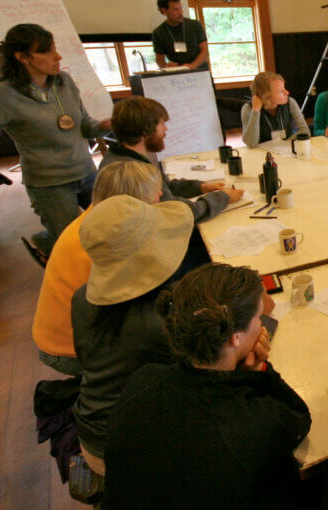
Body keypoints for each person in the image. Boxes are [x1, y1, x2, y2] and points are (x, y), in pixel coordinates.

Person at [103, 263, 312, 509]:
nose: (262, 324)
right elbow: (298, 419)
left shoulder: (144, 378)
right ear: (235, 337)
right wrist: (261, 371)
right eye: (258, 317)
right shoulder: (252, 423)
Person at [0, 23, 110, 258]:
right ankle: (54, 247)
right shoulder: (4, 95)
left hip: (87, 173)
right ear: (22, 57)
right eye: (47, 51)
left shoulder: (63, 81)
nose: (57, 56)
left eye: (55, 48)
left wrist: (103, 126)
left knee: (108, 228)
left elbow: (84, 125)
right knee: (72, 247)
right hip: (50, 185)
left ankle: (47, 238)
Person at [71, 194, 209, 475]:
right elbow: (216, 371)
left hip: (91, 431)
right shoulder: (158, 322)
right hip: (129, 451)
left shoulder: (81, 299)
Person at [32, 161, 163, 377]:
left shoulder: (96, 221)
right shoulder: (106, 243)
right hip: (70, 350)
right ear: (131, 202)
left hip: (65, 335)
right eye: (153, 194)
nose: (160, 195)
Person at [99, 96, 241, 221]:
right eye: (161, 124)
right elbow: (177, 212)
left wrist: (200, 187)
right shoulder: (131, 172)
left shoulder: (127, 157)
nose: (165, 129)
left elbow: (165, 186)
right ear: (144, 131)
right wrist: (223, 198)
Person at [240, 71, 308, 147]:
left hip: (287, 149)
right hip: (262, 153)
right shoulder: (248, 108)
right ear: (266, 96)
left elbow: (305, 131)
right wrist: (256, 110)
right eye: (280, 92)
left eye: (284, 88)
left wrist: (284, 144)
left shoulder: (290, 102)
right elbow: (251, 143)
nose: (287, 93)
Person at [151, 0, 208, 69]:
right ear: (164, 11)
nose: (180, 12)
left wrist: (192, 66)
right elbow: (159, 60)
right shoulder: (159, 33)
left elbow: (205, 51)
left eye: (180, 8)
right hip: (177, 76)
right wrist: (166, 66)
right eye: (175, 10)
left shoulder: (195, 25)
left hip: (200, 72)